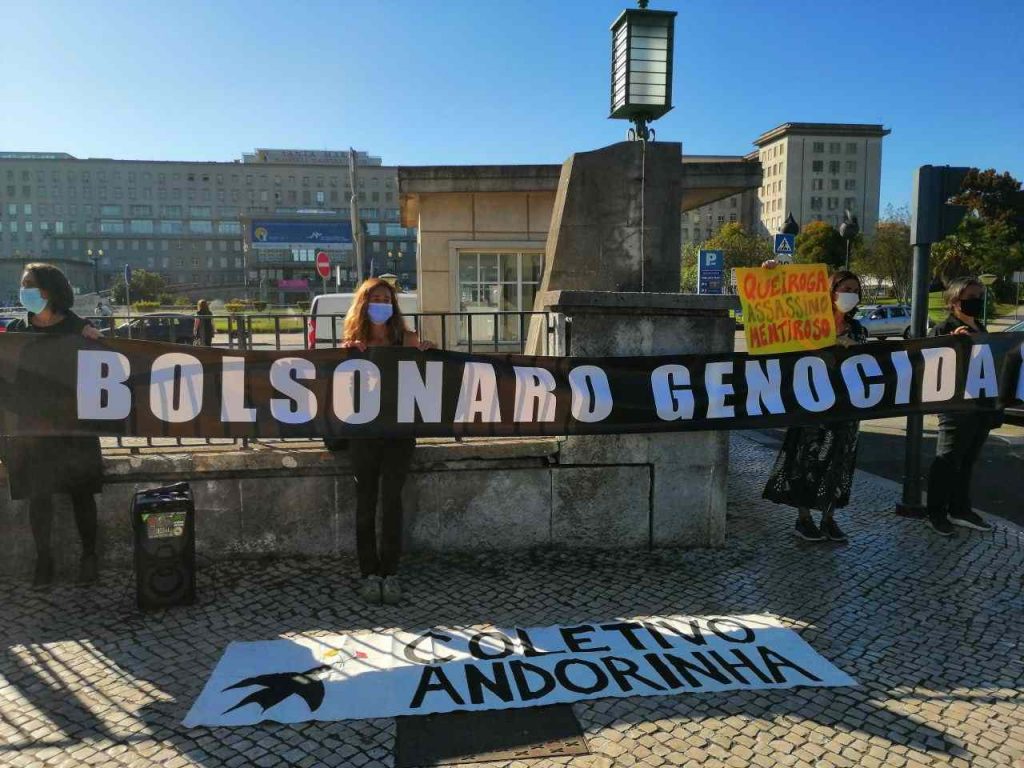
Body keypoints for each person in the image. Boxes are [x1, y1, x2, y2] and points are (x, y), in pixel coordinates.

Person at [1, 263, 104, 586]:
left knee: (82, 494)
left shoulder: (79, 329)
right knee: (39, 496)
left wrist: (95, 340)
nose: (25, 290)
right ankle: (43, 559)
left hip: (75, 426)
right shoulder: (18, 331)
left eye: (30, 284)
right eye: (23, 284)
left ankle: (90, 557)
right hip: (33, 429)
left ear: (49, 290)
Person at [339, 278, 434, 605]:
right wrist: (347, 355)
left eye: (386, 298)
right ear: (363, 304)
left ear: (393, 305)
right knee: (365, 502)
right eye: (375, 298)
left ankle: (390, 572)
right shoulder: (353, 343)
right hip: (364, 434)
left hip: (398, 434)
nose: (381, 303)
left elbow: (427, 375)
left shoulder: (406, 339)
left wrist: (425, 352)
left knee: (392, 502)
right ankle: (369, 573)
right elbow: (339, 386)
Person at [762, 266, 869, 542]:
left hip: (845, 412)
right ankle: (804, 518)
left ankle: (829, 518)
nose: (851, 295)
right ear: (830, 292)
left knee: (838, 463)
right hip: (811, 409)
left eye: (856, 291)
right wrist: (771, 277)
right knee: (805, 462)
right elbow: (776, 311)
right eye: (846, 289)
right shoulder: (810, 323)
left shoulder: (859, 330)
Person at [924, 277, 996, 535]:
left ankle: (960, 508)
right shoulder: (944, 329)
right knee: (947, 459)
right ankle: (935, 512)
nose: (977, 301)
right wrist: (950, 343)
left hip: (981, 405)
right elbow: (931, 365)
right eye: (972, 297)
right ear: (955, 302)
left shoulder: (980, 327)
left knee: (967, 459)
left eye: (980, 296)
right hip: (955, 406)